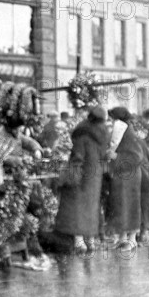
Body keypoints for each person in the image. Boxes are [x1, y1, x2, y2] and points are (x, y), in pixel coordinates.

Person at [54, 106, 108, 253]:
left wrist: (67, 177)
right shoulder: (103, 134)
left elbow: (77, 158)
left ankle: (79, 241)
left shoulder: (82, 135)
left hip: (82, 176)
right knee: (91, 208)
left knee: (77, 208)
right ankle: (90, 240)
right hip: (95, 177)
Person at [105, 107, 143, 251]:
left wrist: (116, 157)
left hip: (130, 175)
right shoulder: (121, 131)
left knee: (130, 206)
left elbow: (136, 157)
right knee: (120, 205)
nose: (111, 121)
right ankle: (122, 238)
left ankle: (132, 239)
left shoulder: (129, 133)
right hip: (121, 175)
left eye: (112, 118)